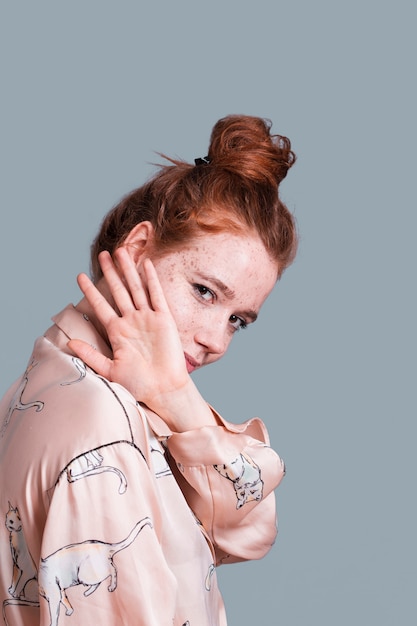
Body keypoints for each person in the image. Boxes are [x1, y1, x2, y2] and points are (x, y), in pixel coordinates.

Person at [0, 114, 297, 626]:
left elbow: (245, 528)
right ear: (138, 250)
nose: (215, 340)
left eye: (237, 321)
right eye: (204, 291)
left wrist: (177, 399)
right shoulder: (104, 427)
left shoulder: (65, 369)